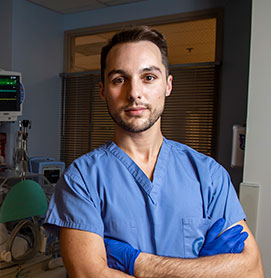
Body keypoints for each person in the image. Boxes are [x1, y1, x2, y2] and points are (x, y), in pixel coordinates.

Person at [44, 26, 263, 277]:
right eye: (119, 80)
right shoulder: (82, 180)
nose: (134, 93)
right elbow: (89, 274)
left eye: (148, 77)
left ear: (168, 85)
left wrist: (138, 263)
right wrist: (205, 270)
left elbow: (252, 270)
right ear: (103, 91)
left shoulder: (209, 175)